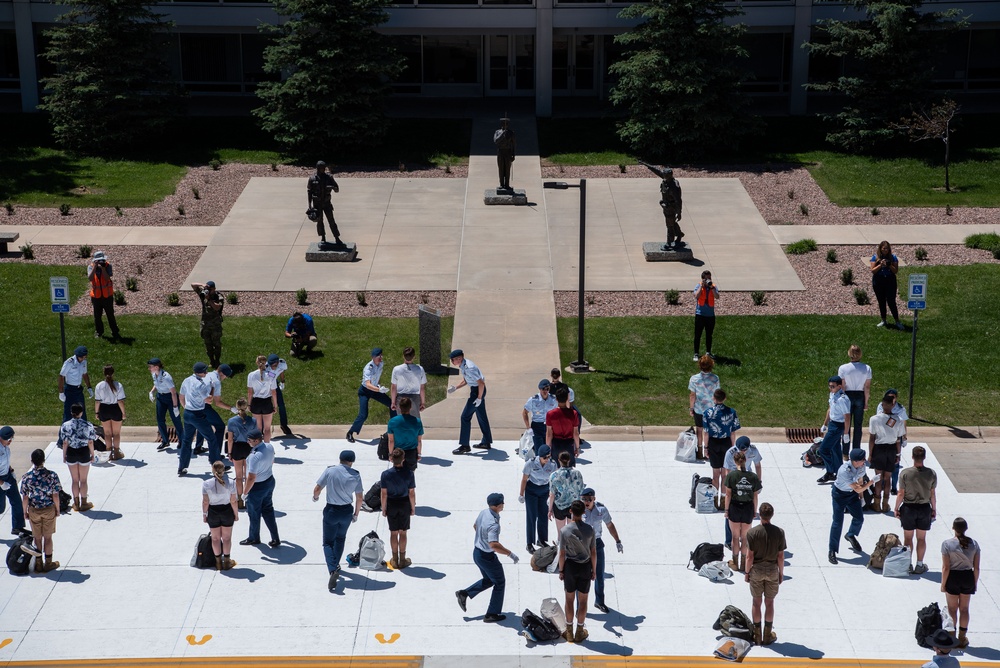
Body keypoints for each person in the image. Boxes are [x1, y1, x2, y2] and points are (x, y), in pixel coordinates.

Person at [455, 493, 519, 623]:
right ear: (498, 506)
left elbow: (475, 526)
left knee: (489, 580)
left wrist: (482, 539)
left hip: (477, 553)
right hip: (487, 557)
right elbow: (494, 544)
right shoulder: (493, 524)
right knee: (499, 582)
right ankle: (492, 614)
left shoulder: (484, 512)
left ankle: (464, 593)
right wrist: (510, 554)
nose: (504, 504)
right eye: (502, 502)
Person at [313, 449, 363, 591]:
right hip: (347, 511)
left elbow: (317, 488)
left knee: (328, 542)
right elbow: (360, 498)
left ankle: (333, 569)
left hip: (331, 510)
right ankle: (336, 564)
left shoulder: (330, 471)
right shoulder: (356, 475)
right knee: (340, 538)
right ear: (351, 461)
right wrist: (356, 514)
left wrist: (315, 498)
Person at [744, 502, 786, 647]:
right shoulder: (779, 532)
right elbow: (780, 556)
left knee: (756, 602)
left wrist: (747, 572)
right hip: (772, 569)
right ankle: (767, 635)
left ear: (759, 515)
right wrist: (781, 573)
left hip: (757, 569)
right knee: (769, 602)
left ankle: (757, 636)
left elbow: (749, 557)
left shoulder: (752, 533)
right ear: (772, 515)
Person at [828, 448, 876, 565]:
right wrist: (871, 482)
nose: (864, 462)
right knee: (837, 522)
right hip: (840, 495)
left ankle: (850, 535)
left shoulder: (861, 466)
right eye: (862, 460)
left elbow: (859, 481)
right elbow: (858, 487)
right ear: (855, 461)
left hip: (852, 494)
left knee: (859, 518)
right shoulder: (844, 470)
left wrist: (861, 498)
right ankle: (832, 550)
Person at [894, 445, 937, 574]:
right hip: (924, 508)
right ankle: (919, 564)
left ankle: (908, 564)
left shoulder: (905, 473)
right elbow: (932, 494)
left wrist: (896, 508)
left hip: (908, 508)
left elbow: (901, 493)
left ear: (912, 457)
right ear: (924, 457)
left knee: (908, 539)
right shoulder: (931, 473)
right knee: (921, 538)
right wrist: (934, 509)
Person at [558, 500, 596, 644]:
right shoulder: (590, 529)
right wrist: (594, 570)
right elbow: (593, 552)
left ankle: (569, 632)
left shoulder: (565, 531)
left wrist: (561, 570)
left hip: (571, 567)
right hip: (585, 566)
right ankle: (580, 631)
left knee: (569, 599)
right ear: (584, 513)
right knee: (583, 600)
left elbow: (562, 553)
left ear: (570, 512)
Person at [581, 487, 623, 614]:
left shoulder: (601, 510)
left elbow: (609, 525)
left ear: (594, 499)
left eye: (589, 499)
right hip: (582, 544)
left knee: (599, 574)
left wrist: (618, 541)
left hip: (597, 543)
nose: (586, 502)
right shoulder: (578, 510)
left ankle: (599, 601)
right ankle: (580, 607)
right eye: (584, 499)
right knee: (582, 577)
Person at [940, 517, 979, 650]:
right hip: (968, 576)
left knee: (952, 609)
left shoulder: (947, 544)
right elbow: (977, 567)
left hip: (953, 577)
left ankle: (951, 638)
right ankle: (962, 638)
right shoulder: (974, 544)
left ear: (953, 528)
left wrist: (943, 584)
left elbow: (946, 568)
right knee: (964, 609)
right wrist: (974, 583)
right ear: (966, 528)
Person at [20, 449, 62, 573]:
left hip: (34, 510)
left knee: (37, 538)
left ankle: (39, 564)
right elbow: (55, 495)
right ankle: (48, 563)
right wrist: (57, 509)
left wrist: (25, 512)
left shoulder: (27, 477)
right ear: (43, 460)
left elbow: (25, 497)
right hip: (48, 509)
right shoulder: (52, 475)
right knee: (48, 538)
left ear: (32, 461)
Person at [240, 429, 280, 548]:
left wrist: (245, 492)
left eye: (250, 440)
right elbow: (272, 461)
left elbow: (251, 477)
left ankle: (253, 538)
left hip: (257, 487)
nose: (248, 442)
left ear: (256, 440)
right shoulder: (269, 447)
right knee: (268, 510)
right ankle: (275, 538)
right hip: (269, 481)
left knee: (254, 513)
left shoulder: (254, 456)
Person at [703, 388, 741, 509]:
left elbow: (706, 433)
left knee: (715, 474)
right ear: (724, 398)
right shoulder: (732, 412)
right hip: (726, 443)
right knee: (725, 474)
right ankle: (724, 502)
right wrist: (733, 447)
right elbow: (733, 432)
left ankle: (714, 501)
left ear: (714, 398)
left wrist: (705, 447)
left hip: (713, 443)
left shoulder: (707, 413)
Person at [449, 350, 493, 454]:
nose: (452, 361)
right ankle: (486, 442)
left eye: (453, 359)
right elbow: (467, 380)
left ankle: (465, 445)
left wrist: (479, 398)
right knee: (481, 416)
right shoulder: (464, 365)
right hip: (476, 390)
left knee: (465, 417)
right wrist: (456, 387)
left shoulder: (469, 367)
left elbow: (481, 383)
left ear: (459, 359)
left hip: (477, 391)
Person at [724, 451, 761, 573]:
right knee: (745, 537)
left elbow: (728, 495)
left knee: (735, 537)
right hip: (748, 508)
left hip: (735, 507)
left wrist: (726, 510)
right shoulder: (753, 477)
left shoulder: (731, 476)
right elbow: (755, 496)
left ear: (735, 462)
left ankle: (735, 561)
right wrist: (754, 511)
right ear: (745, 460)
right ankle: (743, 563)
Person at [347, 348, 394, 443]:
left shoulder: (381, 364)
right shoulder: (368, 368)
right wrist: (379, 389)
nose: (381, 357)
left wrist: (378, 385)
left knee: (392, 405)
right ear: (373, 357)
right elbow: (368, 384)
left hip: (375, 389)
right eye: (378, 356)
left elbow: (377, 377)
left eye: (381, 355)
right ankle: (350, 432)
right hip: (365, 391)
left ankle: (394, 430)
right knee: (363, 414)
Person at [178, 362, 217, 476]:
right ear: (201, 372)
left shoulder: (186, 380)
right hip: (197, 415)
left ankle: (182, 467)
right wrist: (213, 388)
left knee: (187, 441)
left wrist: (186, 408)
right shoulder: (201, 385)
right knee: (211, 438)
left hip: (187, 413)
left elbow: (181, 396)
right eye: (205, 371)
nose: (206, 372)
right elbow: (209, 400)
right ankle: (216, 464)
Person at [868, 394, 905, 512]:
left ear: (882, 404)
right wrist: (898, 455)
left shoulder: (874, 419)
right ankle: (885, 504)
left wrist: (870, 454)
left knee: (878, 477)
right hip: (891, 449)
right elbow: (899, 439)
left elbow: (872, 438)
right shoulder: (898, 420)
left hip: (879, 449)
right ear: (893, 406)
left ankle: (877, 504)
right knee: (887, 477)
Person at [380, 448, 416, 569]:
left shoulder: (385, 474)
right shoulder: (409, 473)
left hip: (392, 504)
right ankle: (402, 559)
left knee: (393, 532)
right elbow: (411, 493)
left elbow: (384, 493)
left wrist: (384, 507)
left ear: (391, 459)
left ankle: (394, 559)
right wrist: (413, 506)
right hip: (404, 503)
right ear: (403, 459)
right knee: (403, 532)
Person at [519, 445, 556, 554]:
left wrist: (552, 495)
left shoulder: (553, 464)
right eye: (545, 458)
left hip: (544, 490)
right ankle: (529, 543)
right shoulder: (530, 463)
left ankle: (542, 540)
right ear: (539, 456)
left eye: (548, 457)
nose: (547, 459)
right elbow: (524, 479)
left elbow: (553, 481)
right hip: (532, 490)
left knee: (543, 515)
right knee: (531, 516)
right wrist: (521, 494)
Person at [202, 460, 238, 571]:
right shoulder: (231, 482)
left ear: (213, 470)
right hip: (227, 510)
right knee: (227, 538)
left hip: (213, 511)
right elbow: (233, 501)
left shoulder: (206, 483)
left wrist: (204, 514)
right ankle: (227, 562)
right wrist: (236, 514)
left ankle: (218, 563)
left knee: (215, 538)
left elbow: (205, 501)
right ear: (224, 470)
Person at [59, 404, 96, 512]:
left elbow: (65, 442)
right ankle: (84, 503)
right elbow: (90, 441)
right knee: (83, 480)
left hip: (71, 452)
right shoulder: (88, 425)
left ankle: (76, 504)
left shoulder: (65, 425)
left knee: (75, 480)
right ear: (81, 412)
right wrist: (92, 454)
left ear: (71, 412)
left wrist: (64, 455)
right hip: (84, 452)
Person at [817, 375, 852, 484]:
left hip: (838, 426)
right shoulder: (833, 395)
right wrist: (825, 424)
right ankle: (838, 471)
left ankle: (830, 472)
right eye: (830, 386)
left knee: (823, 450)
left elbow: (847, 417)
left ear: (839, 386)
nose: (831, 388)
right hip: (832, 424)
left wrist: (846, 434)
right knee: (835, 449)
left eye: (833, 386)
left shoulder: (843, 399)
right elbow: (830, 409)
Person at [641, 162, 684, 248]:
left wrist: (679, 213)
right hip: (666, 207)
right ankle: (679, 234)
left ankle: (669, 242)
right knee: (671, 222)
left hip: (671, 208)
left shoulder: (674, 186)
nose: (662, 176)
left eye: (664, 175)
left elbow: (678, 201)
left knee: (669, 225)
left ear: (668, 176)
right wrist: (647, 165)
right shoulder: (667, 180)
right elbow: (658, 171)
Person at [838, 344, 872, 453]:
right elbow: (867, 387)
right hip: (860, 395)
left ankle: (845, 452)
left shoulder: (843, 368)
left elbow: (842, 386)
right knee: (858, 426)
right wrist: (866, 402)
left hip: (847, 395)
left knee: (846, 424)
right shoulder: (866, 368)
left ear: (849, 354)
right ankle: (856, 450)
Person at [877, 388, 909, 495]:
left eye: (893, 397)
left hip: (896, 437)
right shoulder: (882, 405)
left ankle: (894, 486)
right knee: (882, 463)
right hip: (883, 437)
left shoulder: (900, 408)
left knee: (895, 464)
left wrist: (904, 436)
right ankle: (882, 484)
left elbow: (903, 422)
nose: (892, 399)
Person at [689, 355, 720, 460]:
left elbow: (692, 395)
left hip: (699, 409)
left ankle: (699, 451)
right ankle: (709, 451)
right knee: (710, 430)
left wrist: (691, 408)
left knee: (699, 430)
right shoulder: (715, 378)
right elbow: (717, 394)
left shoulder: (694, 379)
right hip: (711, 409)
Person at [148, 358, 183, 452]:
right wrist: (151, 392)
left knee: (176, 420)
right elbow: (156, 384)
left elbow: (173, 392)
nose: (149, 369)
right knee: (160, 419)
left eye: (150, 367)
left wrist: (175, 406)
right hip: (160, 397)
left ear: (156, 367)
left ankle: (182, 440)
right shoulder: (154, 374)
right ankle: (165, 440)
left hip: (170, 398)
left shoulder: (166, 377)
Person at [0, 426, 29, 537]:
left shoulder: (6, 447)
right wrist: (2, 483)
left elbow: (5, 462)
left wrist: (10, 470)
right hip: (1, 480)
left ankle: (18, 527)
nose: (10, 441)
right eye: (8, 439)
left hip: (8, 476)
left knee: (17, 501)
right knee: (1, 509)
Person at [226, 398, 255, 509]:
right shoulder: (252, 421)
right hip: (248, 447)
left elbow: (230, 439)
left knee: (238, 477)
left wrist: (229, 452)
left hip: (237, 448)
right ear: (246, 407)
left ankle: (239, 500)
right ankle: (247, 498)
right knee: (248, 475)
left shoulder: (232, 421)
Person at [94, 364, 125, 461]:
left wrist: (97, 412)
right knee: (116, 433)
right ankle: (116, 452)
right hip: (115, 408)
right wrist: (123, 413)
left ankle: (108, 454)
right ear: (113, 373)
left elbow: (97, 401)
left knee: (107, 433)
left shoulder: (99, 386)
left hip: (104, 409)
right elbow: (120, 401)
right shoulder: (118, 385)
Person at [548, 451, 585, 535]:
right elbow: (581, 491)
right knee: (571, 533)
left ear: (559, 460)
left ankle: (560, 546)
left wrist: (550, 510)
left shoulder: (554, 475)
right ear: (569, 460)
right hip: (574, 505)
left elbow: (552, 495)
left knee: (561, 533)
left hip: (559, 506)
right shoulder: (577, 473)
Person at [871, 240, 904, 329]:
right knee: (881, 301)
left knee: (891, 301)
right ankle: (883, 320)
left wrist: (889, 265)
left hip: (890, 281)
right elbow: (873, 271)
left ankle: (897, 321)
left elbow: (895, 271)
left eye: (887, 248)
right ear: (880, 249)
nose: (885, 250)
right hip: (878, 281)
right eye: (884, 248)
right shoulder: (875, 257)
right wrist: (880, 265)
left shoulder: (893, 257)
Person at [87, 250, 120, 340]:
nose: (100, 262)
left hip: (107, 296)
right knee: (97, 316)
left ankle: (115, 331)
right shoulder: (90, 267)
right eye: (98, 261)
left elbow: (107, 278)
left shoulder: (108, 266)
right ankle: (99, 332)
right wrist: (95, 267)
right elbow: (90, 278)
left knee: (110, 315)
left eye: (101, 260)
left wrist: (103, 268)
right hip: (96, 297)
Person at [307, 161, 342, 245]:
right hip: (317, 204)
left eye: (324, 168)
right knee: (320, 221)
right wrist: (309, 205)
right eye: (321, 168)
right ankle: (323, 237)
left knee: (331, 221)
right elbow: (309, 192)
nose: (323, 170)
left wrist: (332, 187)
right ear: (318, 168)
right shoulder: (312, 179)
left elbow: (337, 189)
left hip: (327, 203)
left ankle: (337, 237)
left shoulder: (329, 177)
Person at [192, 281, 225, 368]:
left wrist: (209, 299)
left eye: (210, 289)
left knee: (216, 344)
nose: (208, 291)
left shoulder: (219, 296)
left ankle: (217, 361)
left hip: (215, 325)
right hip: (205, 324)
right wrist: (202, 285)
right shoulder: (203, 294)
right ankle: (211, 360)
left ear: (214, 289)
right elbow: (193, 285)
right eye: (207, 289)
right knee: (208, 344)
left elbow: (217, 307)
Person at [545, 386, 580, 466]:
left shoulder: (550, 414)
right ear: (567, 398)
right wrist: (577, 448)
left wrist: (547, 448)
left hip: (556, 444)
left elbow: (549, 434)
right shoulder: (573, 414)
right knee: (568, 468)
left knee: (555, 467)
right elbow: (575, 433)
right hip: (568, 444)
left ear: (556, 399)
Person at [247, 355, 278, 442]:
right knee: (267, 429)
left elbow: (250, 392)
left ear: (257, 363)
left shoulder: (251, 375)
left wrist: (249, 404)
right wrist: (275, 406)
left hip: (256, 402)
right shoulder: (271, 375)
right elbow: (274, 392)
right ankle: (267, 447)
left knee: (258, 428)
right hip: (266, 402)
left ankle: (257, 447)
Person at [57, 346, 92, 423]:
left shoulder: (84, 362)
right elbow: (61, 376)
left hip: (78, 389)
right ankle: (65, 430)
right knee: (68, 412)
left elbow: (85, 374)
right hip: (70, 390)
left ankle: (83, 429)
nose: (85, 358)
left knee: (82, 410)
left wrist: (89, 387)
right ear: (79, 356)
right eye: (83, 356)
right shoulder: (69, 363)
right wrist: (61, 392)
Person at [391, 347, 426, 421]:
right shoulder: (420, 369)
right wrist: (422, 402)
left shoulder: (396, 369)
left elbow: (394, 387)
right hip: (415, 398)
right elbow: (422, 388)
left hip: (401, 399)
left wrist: (393, 402)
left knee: (401, 422)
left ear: (403, 356)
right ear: (414, 357)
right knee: (414, 422)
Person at [387, 397, 422, 471]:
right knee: (410, 475)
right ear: (410, 407)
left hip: (398, 452)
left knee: (398, 474)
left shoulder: (392, 421)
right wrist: (419, 454)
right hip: (412, 452)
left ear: (399, 407)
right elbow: (419, 440)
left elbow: (391, 440)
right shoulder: (417, 421)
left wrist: (390, 454)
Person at [523, 379, 557, 451]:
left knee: (548, 449)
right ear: (539, 389)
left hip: (549, 426)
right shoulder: (533, 399)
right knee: (539, 450)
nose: (545, 391)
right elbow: (525, 412)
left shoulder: (553, 400)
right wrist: (528, 427)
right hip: (537, 426)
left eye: (547, 389)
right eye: (543, 389)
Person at [693, 271, 718, 361]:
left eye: (710, 278)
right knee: (697, 335)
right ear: (703, 279)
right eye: (707, 278)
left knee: (709, 335)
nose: (709, 280)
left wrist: (712, 288)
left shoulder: (713, 286)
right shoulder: (698, 286)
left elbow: (717, 296)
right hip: (700, 314)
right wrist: (701, 286)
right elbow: (696, 296)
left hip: (710, 315)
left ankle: (708, 352)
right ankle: (696, 353)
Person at [266, 353, 293, 437]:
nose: (272, 367)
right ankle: (264, 427)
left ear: (278, 363)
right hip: (266, 385)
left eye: (274, 365)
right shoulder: (266, 368)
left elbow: (281, 372)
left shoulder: (282, 364)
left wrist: (282, 381)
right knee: (266, 406)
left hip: (274, 384)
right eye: (271, 365)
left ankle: (284, 424)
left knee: (281, 405)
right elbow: (266, 376)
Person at [493, 117, 516, 191]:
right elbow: (496, 141)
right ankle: (501, 184)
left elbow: (513, 144)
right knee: (501, 169)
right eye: (503, 124)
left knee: (507, 169)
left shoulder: (511, 133)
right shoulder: (497, 132)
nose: (505, 125)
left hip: (508, 152)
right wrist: (502, 133)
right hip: (500, 152)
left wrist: (513, 154)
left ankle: (507, 185)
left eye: (506, 124)